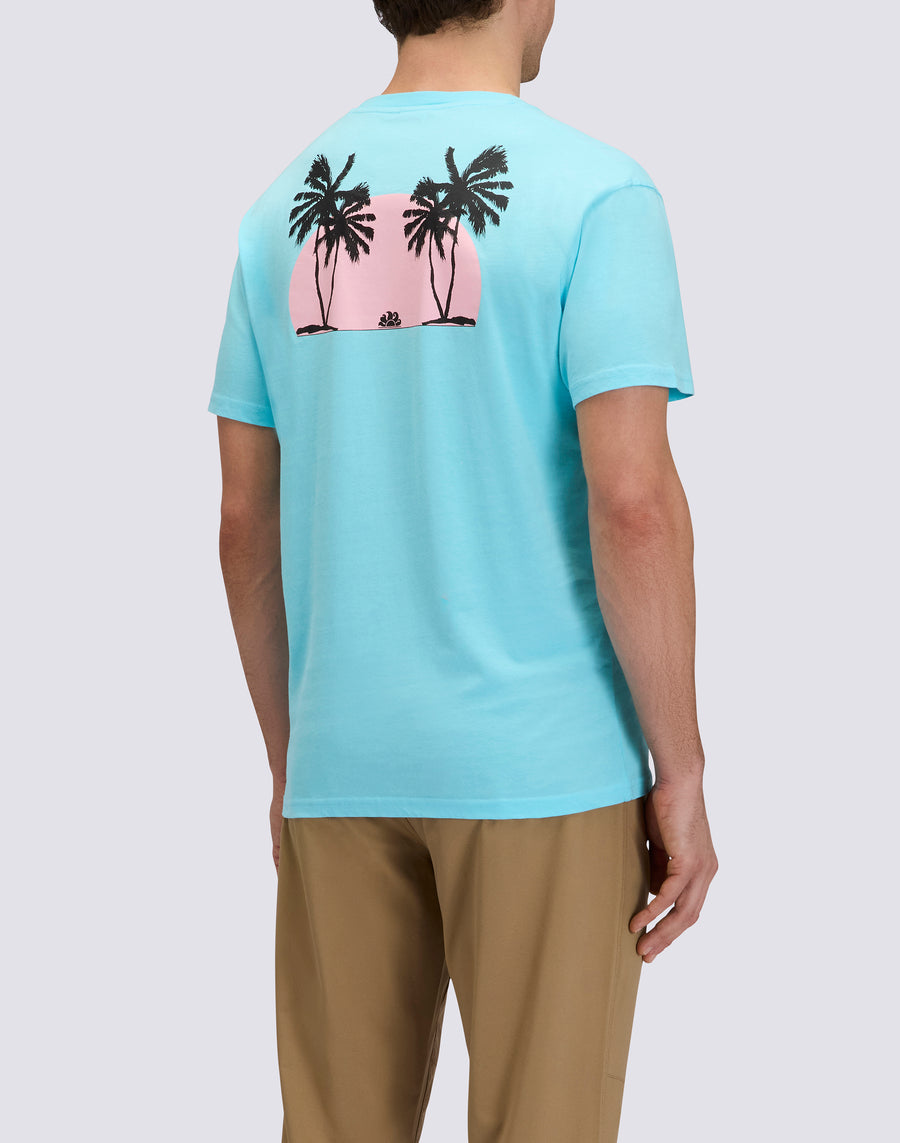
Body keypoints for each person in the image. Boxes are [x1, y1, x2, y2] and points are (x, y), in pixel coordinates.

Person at [208, 1, 718, 1138]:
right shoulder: (597, 195)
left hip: (342, 765)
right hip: (544, 768)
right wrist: (679, 768)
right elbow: (633, 504)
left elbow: (245, 520)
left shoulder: (276, 212)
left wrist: (294, 763)